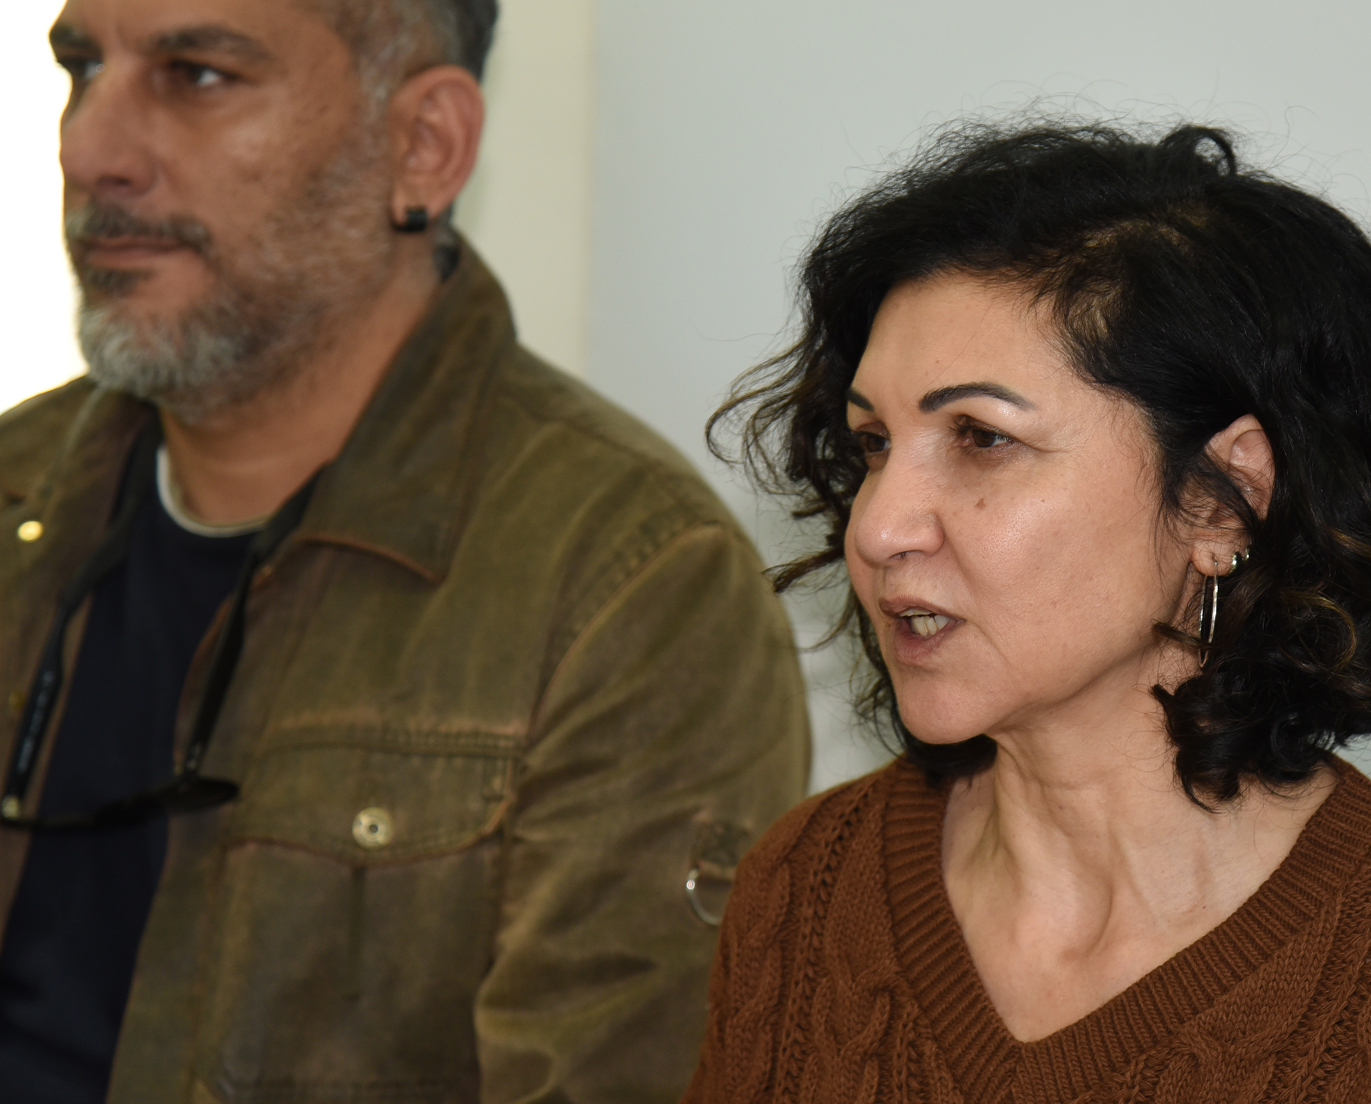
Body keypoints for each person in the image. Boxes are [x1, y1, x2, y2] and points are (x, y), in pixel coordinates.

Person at [685, 121, 1371, 1102]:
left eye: (982, 439)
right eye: (874, 443)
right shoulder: (808, 887)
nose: (878, 528)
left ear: (1224, 501)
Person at [0, 0, 809, 1100]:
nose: (90, 149)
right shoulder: (21, 483)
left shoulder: (633, 587)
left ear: (423, 145)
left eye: (196, 74)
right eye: (81, 68)